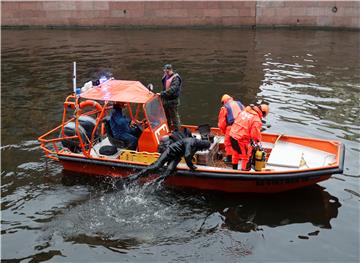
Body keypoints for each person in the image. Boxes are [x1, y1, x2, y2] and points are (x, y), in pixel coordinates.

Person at [127, 137, 211, 184]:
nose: (203, 151)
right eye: (204, 149)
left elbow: (190, 155)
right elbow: (187, 155)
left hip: (177, 156)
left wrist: (191, 161)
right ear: (202, 146)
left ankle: (154, 183)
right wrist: (191, 166)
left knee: (169, 171)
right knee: (156, 166)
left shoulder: (196, 146)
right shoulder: (191, 142)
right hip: (170, 151)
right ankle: (136, 176)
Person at [229, 104, 269, 170]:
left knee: (235, 154)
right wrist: (258, 142)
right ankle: (244, 173)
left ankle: (234, 170)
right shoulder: (256, 120)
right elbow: (254, 135)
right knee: (246, 157)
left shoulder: (243, 112)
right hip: (241, 140)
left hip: (232, 136)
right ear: (263, 113)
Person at [217, 94, 244, 163]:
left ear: (223, 102)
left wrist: (224, 131)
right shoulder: (239, 104)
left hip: (232, 127)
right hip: (242, 126)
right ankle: (240, 157)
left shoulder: (224, 108)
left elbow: (222, 123)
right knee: (240, 142)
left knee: (228, 143)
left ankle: (229, 158)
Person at [160, 64, 182, 131]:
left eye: (166, 70)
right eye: (164, 70)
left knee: (174, 117)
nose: (165, 71)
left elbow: (172, 89)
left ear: (170, 69)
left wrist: (162, 94)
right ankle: (168, 129)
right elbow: (165, 87)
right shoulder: (165, 76)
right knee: (166, 116)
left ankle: (178, 131)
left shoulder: (176, 78)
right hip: (165, 100)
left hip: (173, 101)